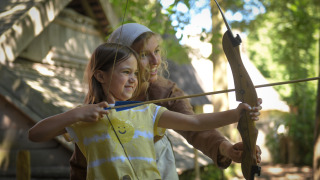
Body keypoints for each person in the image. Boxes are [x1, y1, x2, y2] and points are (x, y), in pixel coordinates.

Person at [28, 43, 262, 180]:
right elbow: (35, 134)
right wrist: (76, 114)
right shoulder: (85, 118)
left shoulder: (148, 112)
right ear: (100, 76)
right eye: (125, 72)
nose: (132, 80)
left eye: (135, 74)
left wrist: (236, 114)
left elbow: (197, 122)